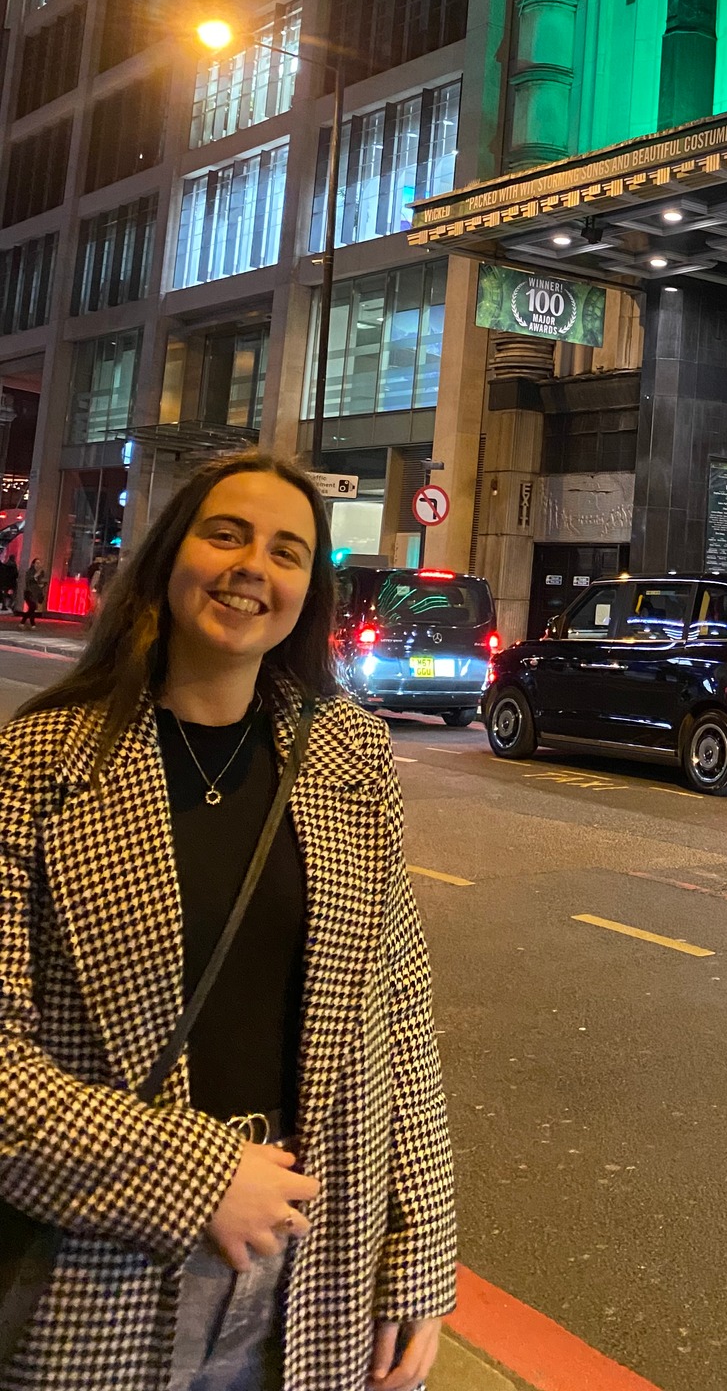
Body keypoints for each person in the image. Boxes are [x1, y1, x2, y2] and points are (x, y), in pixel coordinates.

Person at [0, 452, 455, 1390]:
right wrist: (200, 1174)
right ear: (169, 559)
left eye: (289, 551)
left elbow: (398, 1020)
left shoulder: (351, 757)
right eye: (227, 534)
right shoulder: (35, 764)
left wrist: (419, 1258)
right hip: (100, 1258)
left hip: (319, 1259)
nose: (256, 566)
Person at [18, 559, 43, 628]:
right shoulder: (30, 572)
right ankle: (30, 622)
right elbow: (28, 579)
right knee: (33, 607)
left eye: (39, 563)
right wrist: (35, 576)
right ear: (33, 564)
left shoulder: (40, 573)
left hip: (35, 593)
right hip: (29, 592)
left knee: (33, 608)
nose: (38, 565)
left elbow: (40, 582)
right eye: (37, 563)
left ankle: (29, 623)